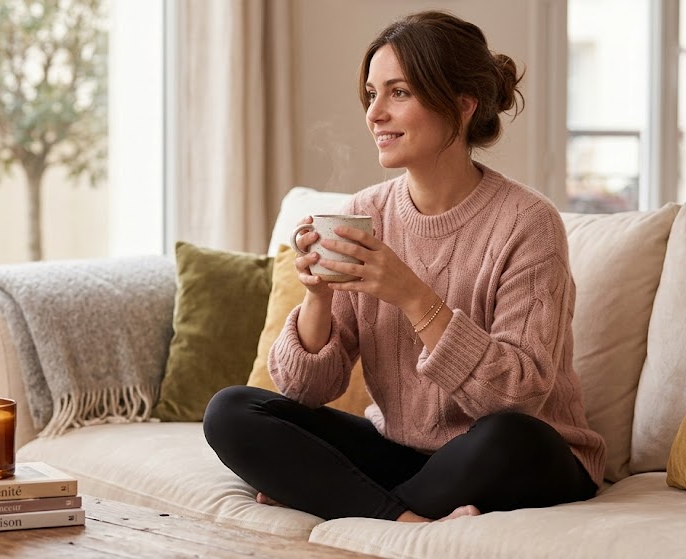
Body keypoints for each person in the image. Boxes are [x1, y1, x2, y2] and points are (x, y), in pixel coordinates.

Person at [203, 10, 605, 523]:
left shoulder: (529, 223)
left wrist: (413, 296)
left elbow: (517, 396)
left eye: (398, 93)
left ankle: (347, 503)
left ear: (461, 107)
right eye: (371, 95)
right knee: (232, 411)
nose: (374, 114)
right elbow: (307, 391)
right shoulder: (366, 213)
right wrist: (318, 295)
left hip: (521, 453)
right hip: (403, 452)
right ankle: (404, 519)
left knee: (511, 437)